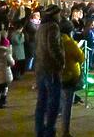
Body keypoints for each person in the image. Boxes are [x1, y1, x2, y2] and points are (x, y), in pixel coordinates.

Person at [34, 8, 65, 137]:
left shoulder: (42, 27)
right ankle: (49, 130)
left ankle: (39, 129)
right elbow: (53, 47)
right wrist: (60, 62)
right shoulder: (53, 27)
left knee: (42, 100)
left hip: (41, 67)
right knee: (54, 101)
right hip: (51, 68)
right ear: (54, 15)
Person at [59, 18, 87, 136]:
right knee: (67, 105)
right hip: (69, 76)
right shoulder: (69, 43)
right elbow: (81, 57)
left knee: (59, 100)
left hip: (57, 75)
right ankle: (65, 131)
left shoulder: (55, 40)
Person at [0, 40, 15, 108]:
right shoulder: (6, 53)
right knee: (3, 88)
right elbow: (12, 63)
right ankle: (0, 102)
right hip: (5, 73)